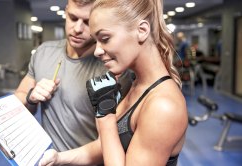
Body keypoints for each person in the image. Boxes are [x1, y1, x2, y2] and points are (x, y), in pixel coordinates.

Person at [39, 0, 188, 165]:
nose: (97, 50)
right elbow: (108, 147)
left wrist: (105, 117)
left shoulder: (163, 106)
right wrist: (59, 158)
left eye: (105, 38)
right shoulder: (137, 84)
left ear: (142, 30)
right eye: (96, 40)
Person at [14, 0, 108, 152]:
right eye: (73, 18)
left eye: (87, 22)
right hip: (48, 160)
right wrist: (31, 98)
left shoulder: (109, 67)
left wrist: (63, 160)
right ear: (66, 12)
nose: (77, 29)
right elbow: (20, 98)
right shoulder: (44, 52)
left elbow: (110, 143)